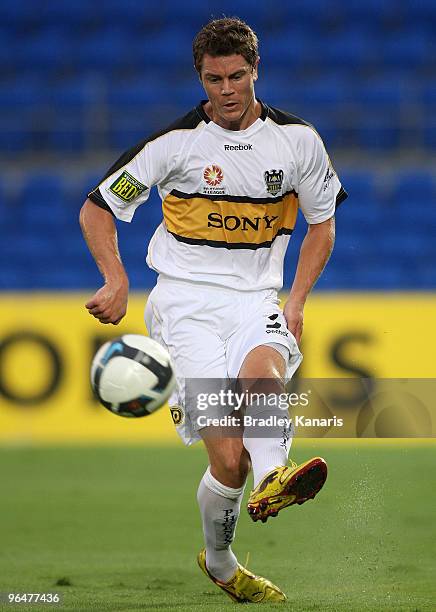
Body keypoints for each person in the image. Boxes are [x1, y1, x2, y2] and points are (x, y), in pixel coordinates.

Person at [79, 17, 347, 603]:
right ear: (201, 78)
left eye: (237, 76)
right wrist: (116, 277)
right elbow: (98, 207)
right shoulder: (174, 146)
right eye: (213, 78)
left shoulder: (297, 141)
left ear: (256, 72)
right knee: (227, 460)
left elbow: (322, 224)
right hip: (185, 304)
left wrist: (296, 300)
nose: (226, 89)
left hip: (257, 298)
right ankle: (222, 563)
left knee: (262, 373)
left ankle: (275, 473)